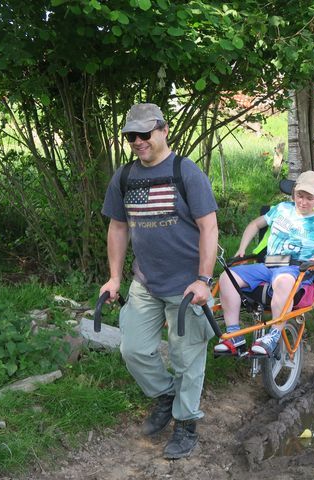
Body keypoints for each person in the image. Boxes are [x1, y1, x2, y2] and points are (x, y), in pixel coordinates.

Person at [99, 103, 219, 460]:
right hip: (146, 283)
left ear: (163, 130)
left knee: (187, 358)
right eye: (130, 136)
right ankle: (166, 396)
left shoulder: (186, 172)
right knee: (132, 348)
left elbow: (208, 226)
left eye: (144, 134)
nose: (137, 141)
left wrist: (203, 279)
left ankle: (186, 424)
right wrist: (115, 277)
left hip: (187, 287)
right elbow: (118, 227)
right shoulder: (124, 176)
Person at [214, 171, 314, 357]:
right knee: (227, 277)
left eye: (309, 198)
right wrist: (242, 248)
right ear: (293, 193)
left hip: (295, 268)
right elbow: (255, 225)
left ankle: (274, 335)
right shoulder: (281, 208)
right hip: (269, 264)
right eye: (299, 196)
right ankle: (234, 335)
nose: (302, 202)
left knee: (283, 282)